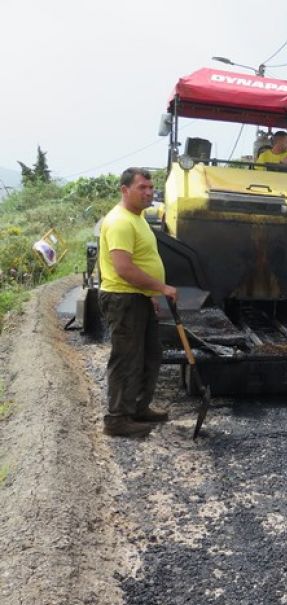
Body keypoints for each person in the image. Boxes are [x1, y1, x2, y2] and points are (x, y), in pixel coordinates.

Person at [98, 167, 177, 437]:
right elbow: (124, 269)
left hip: (138, 297)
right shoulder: (120, 221)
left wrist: (150, 295)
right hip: (123, 299)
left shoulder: (138, 217)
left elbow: (142, 262)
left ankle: (139, 407)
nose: (148, 192)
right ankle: (117, 420)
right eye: (142, 187)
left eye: (150, 187)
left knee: (150, 354)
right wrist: (161, 288)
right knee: (126, 359)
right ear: (124, 190)